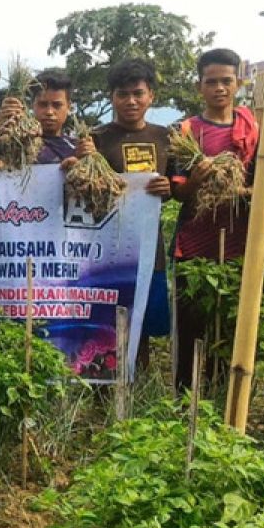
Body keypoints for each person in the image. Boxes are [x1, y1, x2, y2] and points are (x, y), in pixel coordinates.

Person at [169, 48, 259, 391]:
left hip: (237, 247)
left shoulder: (252, 129)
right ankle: (184, 402)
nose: (220, 88)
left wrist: (244, 192)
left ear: (238, 83)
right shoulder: (186, 131)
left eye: (226, 81)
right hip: (192, 248)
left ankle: (222, 398)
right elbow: (178, 192)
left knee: (228, 330)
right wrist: (199, 179)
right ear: (199, 86)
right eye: (211, 82)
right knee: (190, 332)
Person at [86, 59, 173, 367]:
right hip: (104, 249)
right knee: (103, 323)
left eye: (138, 93)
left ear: (151, 95)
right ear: (112, 97)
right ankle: (102, 395)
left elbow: (179, 185)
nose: (131, 101)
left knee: (143, 324)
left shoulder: (166, 138)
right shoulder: (95, 139)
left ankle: (136, 392)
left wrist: (169, 186)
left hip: (150, 249)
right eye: (123, 94)